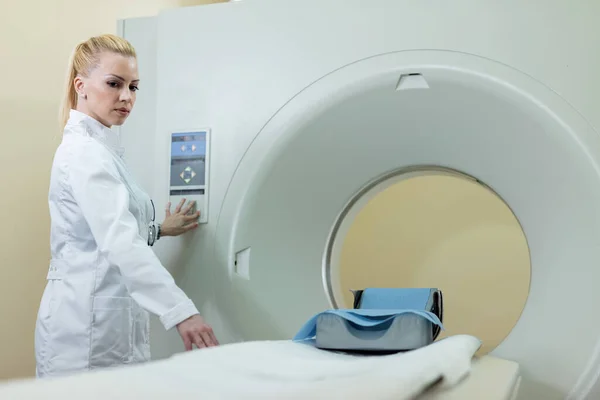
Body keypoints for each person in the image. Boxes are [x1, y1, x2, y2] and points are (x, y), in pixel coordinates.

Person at [34, 34, 218, 378]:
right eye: (114, 83)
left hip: (104, 319)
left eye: (134, 87)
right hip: (84, 328)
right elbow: (118, 240)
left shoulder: (102, 149)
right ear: (81, 86)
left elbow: (99, 226)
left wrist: (159, 228)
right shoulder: (84, 153)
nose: (126, 97)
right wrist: (182, 312)